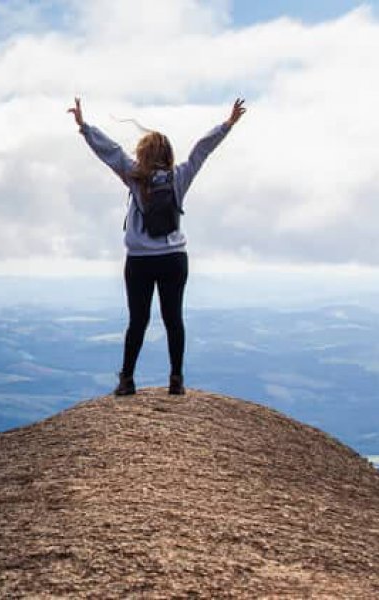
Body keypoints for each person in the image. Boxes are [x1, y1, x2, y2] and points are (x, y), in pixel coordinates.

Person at [68, 97, 246, 396]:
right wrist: (226, 125)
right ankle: (176, 379)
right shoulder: (180, 177)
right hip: (174, 258)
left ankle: (127, 380)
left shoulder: (134, 176)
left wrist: (85, 127)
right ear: (167, 154)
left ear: (144, 154)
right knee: (173, 318)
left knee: (138, 320)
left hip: (139, 260)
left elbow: (109, 151)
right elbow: (202, 149)